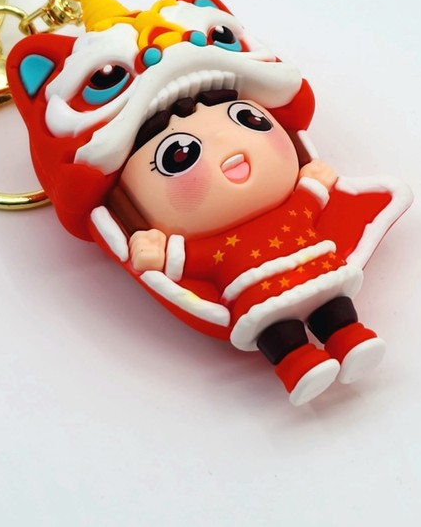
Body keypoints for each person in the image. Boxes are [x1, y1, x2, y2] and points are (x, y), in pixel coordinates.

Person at [119, 89, 388, 406]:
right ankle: (297, 364)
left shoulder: (291, 208)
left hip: (317, 271)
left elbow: (310, 200)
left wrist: (315, 180)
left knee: (333, 308)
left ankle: (350, 338)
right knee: (278, 331)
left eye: (248, 119)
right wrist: (158, 253)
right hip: (260, 298)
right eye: (179, 156)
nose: (222, 139)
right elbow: (187, 259)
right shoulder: (212, 244)